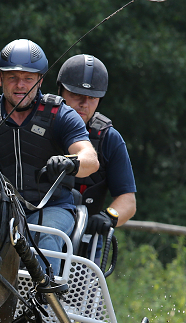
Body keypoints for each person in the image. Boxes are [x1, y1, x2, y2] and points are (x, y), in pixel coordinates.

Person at [0, 39, 99, 278]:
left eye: (28, 78)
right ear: (1, 79)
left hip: (52, 208)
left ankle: (43, 308)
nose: (20, 85)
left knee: (46, 239)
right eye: (12, 77)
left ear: (40, 80)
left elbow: (90, 159)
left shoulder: (61, 115)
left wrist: (70, 162)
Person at [56, 54, 137, 241]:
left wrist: (108, 217)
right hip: (35, 231)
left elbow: (128, 200)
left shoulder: (110, 139)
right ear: (60, 91)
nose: (84, 104)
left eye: (92, 97)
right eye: (76, 95)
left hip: (85, 242)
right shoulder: (40, 126)